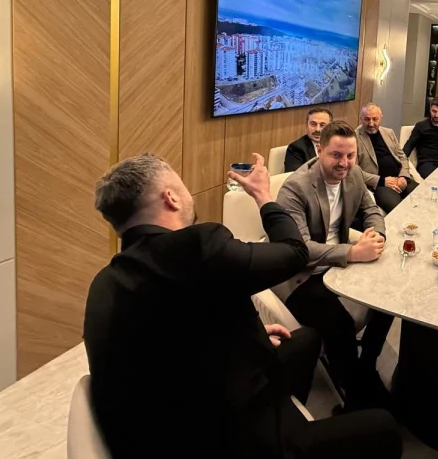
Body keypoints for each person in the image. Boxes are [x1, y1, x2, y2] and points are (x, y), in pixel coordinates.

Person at [84, 153, 402, 458]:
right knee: (384, 426)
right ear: (172, 198)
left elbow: (164, 337)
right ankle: (292, 442)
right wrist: (263, 195)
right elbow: (295, 252)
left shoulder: (104, 283)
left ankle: (292, 420)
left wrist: (245, 333)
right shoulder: (199, 246)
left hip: (164, 429)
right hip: (227, 440)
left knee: (305, 339)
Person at [277, 121, 395, 410]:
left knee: (391, 294)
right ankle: (356, 398)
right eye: (336, 155)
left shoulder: (354, 174)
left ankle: (366, 365)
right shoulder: (295, 188)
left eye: (350, 155)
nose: (344, 163)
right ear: (319, 150)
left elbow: (372, 210)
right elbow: (300, 250)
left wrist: (376, 234)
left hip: (338, 264)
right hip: (301, 276)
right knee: (339, 323)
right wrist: (352, 252)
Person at [355, 103, 418, 214]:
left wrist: (403, 176)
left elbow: (402, 157)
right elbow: (354, 171)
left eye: (375, 119)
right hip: (380, 184)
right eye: (367, 119)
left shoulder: (389, 132)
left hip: (400, 178)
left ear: (381, 118)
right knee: (399, 211)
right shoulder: (353, 138)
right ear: (360, 119)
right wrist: (382, 181)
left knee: (423, 198)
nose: (371, 123)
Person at [285, 108, 332, 172]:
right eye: (313, 124)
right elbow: (295, 175)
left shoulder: (335, 144)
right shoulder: (296, 148)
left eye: (322, 125)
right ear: (306, 125)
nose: (317, 129)